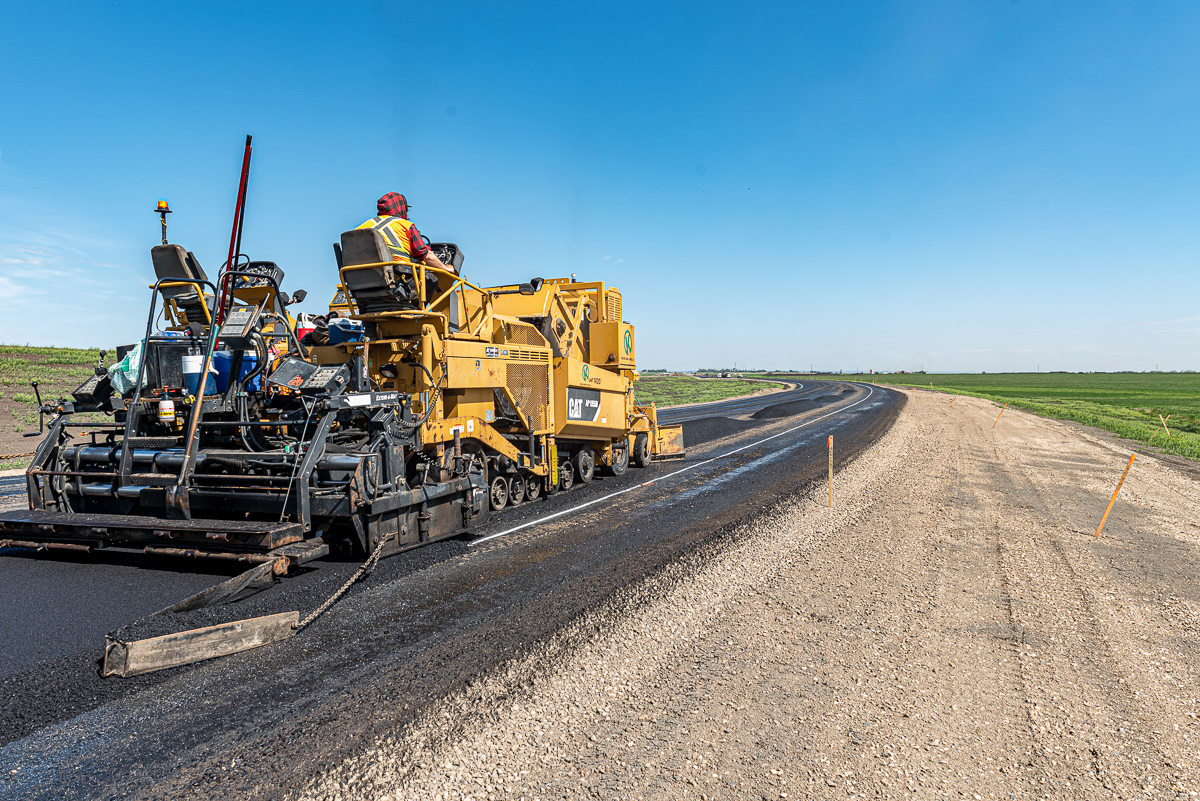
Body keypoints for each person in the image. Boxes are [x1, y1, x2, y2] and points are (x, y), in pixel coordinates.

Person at [357, 192, 456, 275]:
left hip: (360, 281)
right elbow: (426, 255)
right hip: (396, 277)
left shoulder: (361, 227)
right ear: (401, 208)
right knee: (431, 280)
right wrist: (445, 268)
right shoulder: (405, 225)